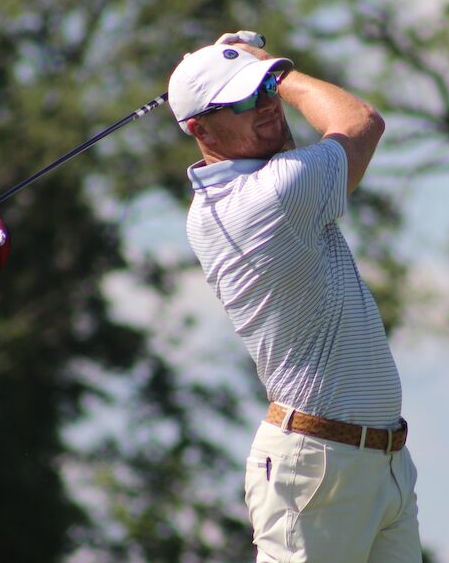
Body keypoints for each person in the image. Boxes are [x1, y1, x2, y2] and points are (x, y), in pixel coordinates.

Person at [167, 31, 421, 563]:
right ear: (199, 128)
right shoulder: (270, 197)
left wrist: (237, 66)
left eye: (265, 92)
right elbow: (360, 123)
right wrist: (278, 71)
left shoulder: (250, 183)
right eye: (242, 102)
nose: (266, 109)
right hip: (315, 469)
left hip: (383, 463)